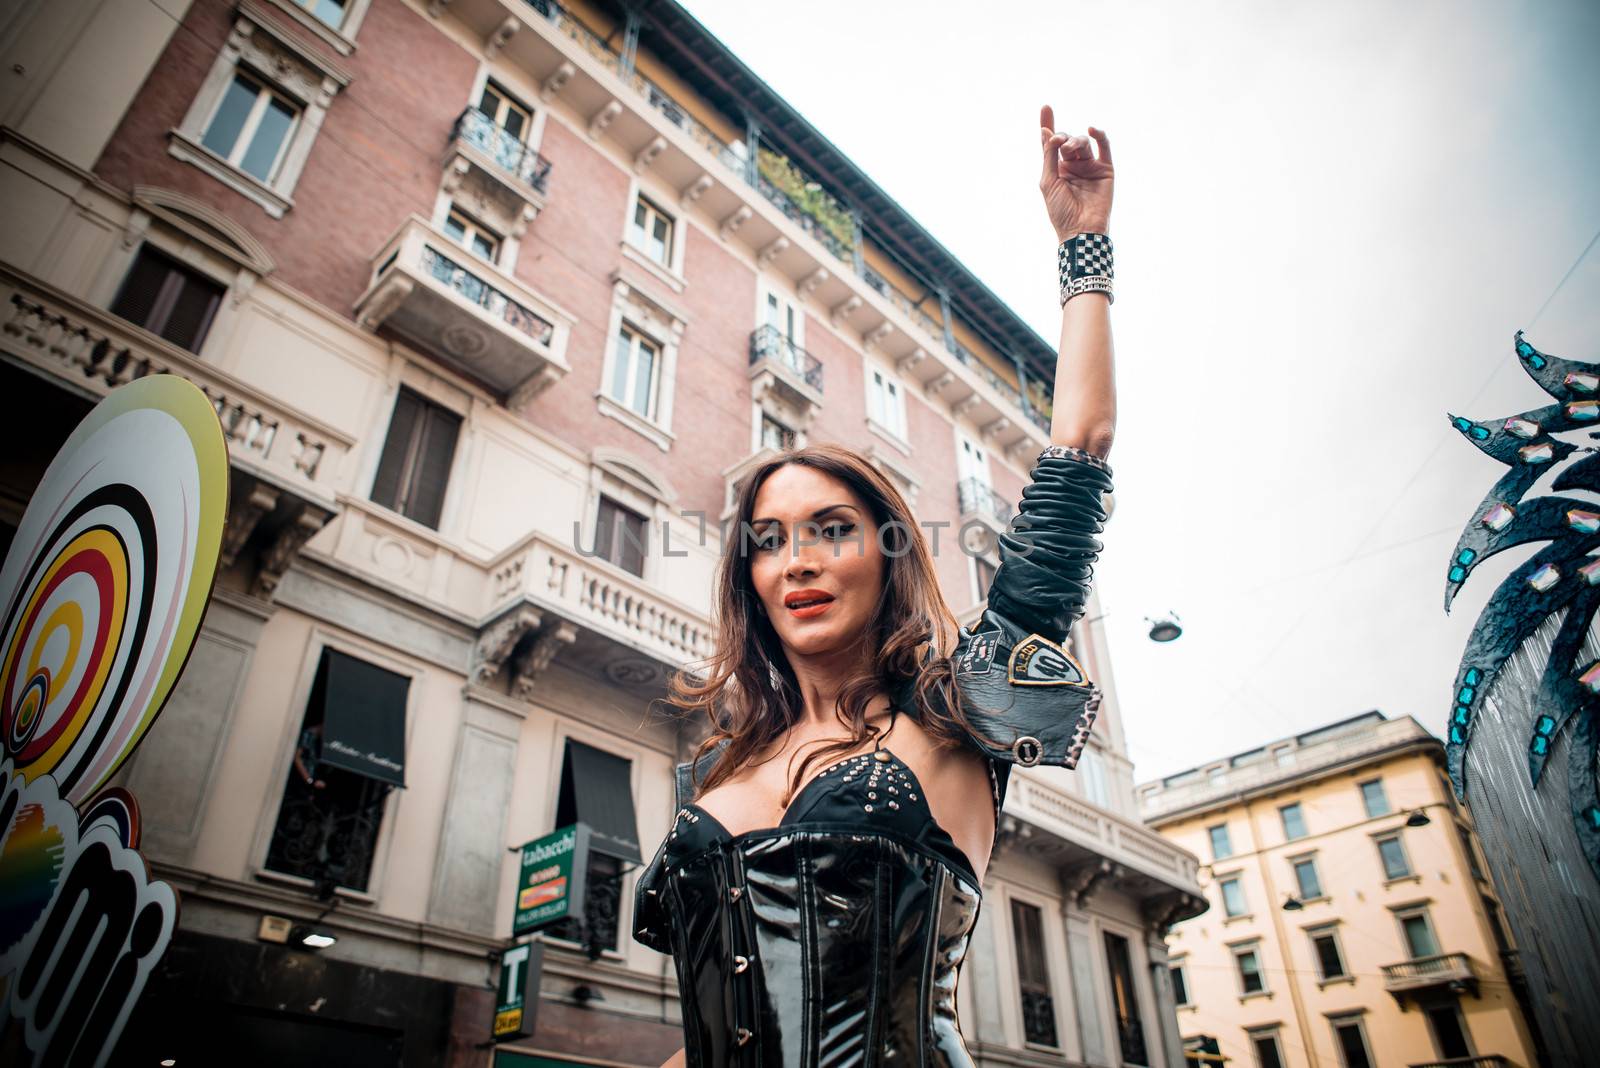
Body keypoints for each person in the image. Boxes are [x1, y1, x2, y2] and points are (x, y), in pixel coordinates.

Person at [632, 104, 1117, 1065]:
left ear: (889, 555)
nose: (798, 559)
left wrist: (1085, 250)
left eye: (832, 530)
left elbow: (1079, 450)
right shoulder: (719, 768)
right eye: (769, 541)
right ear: (750, 578)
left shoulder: (958, 712)